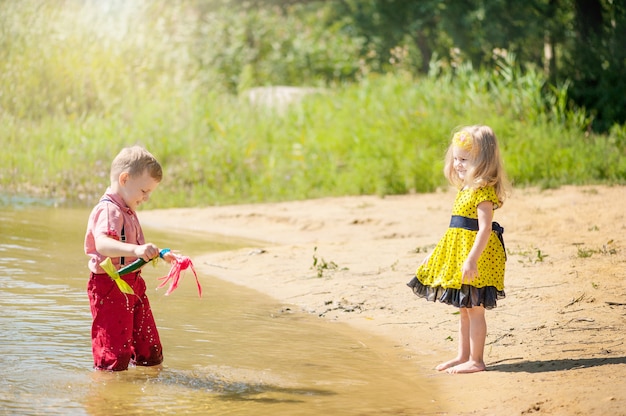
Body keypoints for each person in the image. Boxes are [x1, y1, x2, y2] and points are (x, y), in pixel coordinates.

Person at [407, 125, 511, 374]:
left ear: (483, 161)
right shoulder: (464, 189)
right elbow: (454, 230)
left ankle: (477, 360)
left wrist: (472, 260)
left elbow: (484, 229)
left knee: (475, 310)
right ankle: (463, 355)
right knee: (464, 310)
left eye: (464, 159)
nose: (458, 164)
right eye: (455, 158)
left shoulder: (483, 191)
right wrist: (434, 255)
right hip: (461, 255)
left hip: (477, 258)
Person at [84, 145, 175, 371]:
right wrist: (136, 250)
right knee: (114, 355)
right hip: (109, 285)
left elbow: (136, 249)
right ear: (124, 179)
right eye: (144, 191)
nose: (146, 198)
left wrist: (161, 254)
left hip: (133, 284)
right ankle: (109, 400)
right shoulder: (108, 210)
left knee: (149, 348)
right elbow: (103, 244)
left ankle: (148, 380)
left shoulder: (126, 209)